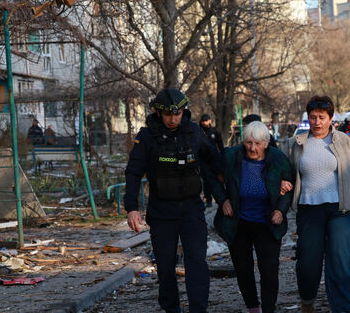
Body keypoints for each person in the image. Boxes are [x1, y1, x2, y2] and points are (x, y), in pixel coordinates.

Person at [125, 88, 222, 313]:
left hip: (191, 210)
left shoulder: (194, 132)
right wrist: (132, 208)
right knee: (166, 268)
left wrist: (226, 191)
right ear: (159, 113)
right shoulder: (147, 137)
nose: (173, 119)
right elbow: (133, 172)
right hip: (162, 213)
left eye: (177, 114)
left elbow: (214, 162)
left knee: (197, 263)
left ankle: (198, 309)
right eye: (168, 114)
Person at [284, 95, 350, 313]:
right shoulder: (295, 144)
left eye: (321, 117)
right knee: (308, 263)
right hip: (308, 210)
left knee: (341, 261)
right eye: (313, 117)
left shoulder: (344, 141)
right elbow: (283, 173)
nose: (317, 122)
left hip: (340, 209)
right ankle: (307, 300)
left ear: (331, 119)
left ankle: (344, 309)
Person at [214, 121, 294, 313]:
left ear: (266, 143)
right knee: (243, 269)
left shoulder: (277, 159)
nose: (252, 148)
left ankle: (268, 309)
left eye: (258, 143)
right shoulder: (232, 156)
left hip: (267, 223)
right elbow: (212, 177)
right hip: (239, 223)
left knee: (269, 271)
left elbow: (289, 187)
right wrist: (223, 199)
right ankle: (253, 307)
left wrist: (280, 211)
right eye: (249, 143)